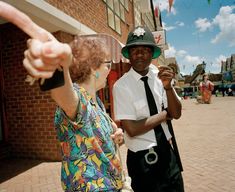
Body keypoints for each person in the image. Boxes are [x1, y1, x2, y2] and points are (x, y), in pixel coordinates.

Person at [113, 26, 184, 192]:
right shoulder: (121, 86)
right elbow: (132, 129)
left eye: (145, 50)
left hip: (168, 155)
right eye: (134, 50)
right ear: (128, 55)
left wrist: (168, 88)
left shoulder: (160, 75)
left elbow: (177, 113)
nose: (139, 55)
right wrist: (165, 114)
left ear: (152, 54)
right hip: (143, 162)